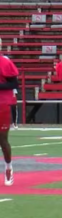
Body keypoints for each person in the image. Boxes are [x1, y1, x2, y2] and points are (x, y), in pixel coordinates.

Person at [0, 48, 18, 186]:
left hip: (2, 104)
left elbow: (14, 83)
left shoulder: (4, 62)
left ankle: (8, 167)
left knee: (2, 140)